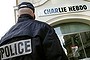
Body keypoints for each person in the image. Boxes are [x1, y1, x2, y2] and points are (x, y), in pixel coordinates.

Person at [0, 2, 68, 60]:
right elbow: (57, 56)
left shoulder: (4, 39)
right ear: (33, 15)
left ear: (18, 15)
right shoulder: (43, 28)